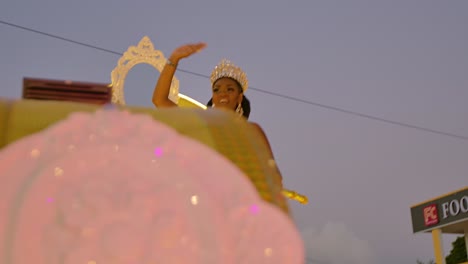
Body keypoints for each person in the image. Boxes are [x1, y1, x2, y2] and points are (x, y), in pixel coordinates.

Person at [152, 43, 251, 119]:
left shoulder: (251, 132)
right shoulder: (199, 122)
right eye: (216, 90)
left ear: (239, 97)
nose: (222, 94)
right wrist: (174, 58)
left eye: (229, 89)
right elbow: (160, 100)